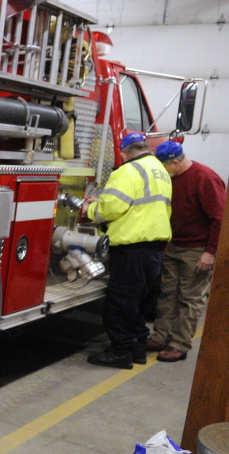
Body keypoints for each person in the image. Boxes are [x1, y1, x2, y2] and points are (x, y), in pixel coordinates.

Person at [83, 132, 172, 369]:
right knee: (139, 304)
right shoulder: (160, 170)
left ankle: (120, 352)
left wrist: (91, 210)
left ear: (124, 152)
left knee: (121, 303)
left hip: (132, 248)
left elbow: (111, 209)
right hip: (154, 249)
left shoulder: (127, 171)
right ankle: (137, 349)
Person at [146, 141, 225, 362]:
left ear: (177, 162)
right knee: (167, 294)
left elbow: (219, 219)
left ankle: (179, 344)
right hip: (174, 245)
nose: (163, 172)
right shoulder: (170, 178)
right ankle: (161, 336)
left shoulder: (205, 179)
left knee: (190, 299)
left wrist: (210, 252)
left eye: (165, 167)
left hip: (197, 250)